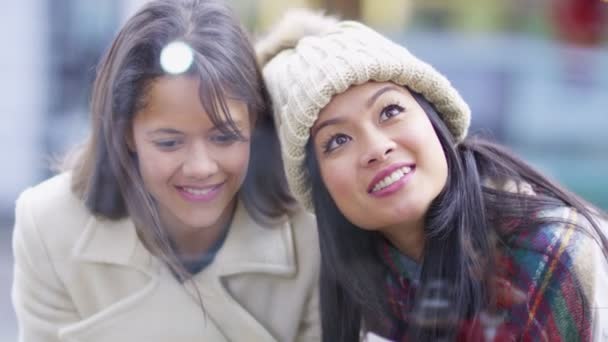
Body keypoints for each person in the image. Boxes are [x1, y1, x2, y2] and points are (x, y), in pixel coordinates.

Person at [257, 10, 608, 341]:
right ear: (316, 184)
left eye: (390, 110)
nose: (377, 148)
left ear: (435, 118)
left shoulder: (547, 254)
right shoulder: (344, 287)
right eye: (337, 140)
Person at [11, 1, 320, 341]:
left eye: (224, 137)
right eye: (169, 143)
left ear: (255, 123)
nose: (201, 167)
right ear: (126, 131)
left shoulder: (310, 231)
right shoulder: (49, 225)